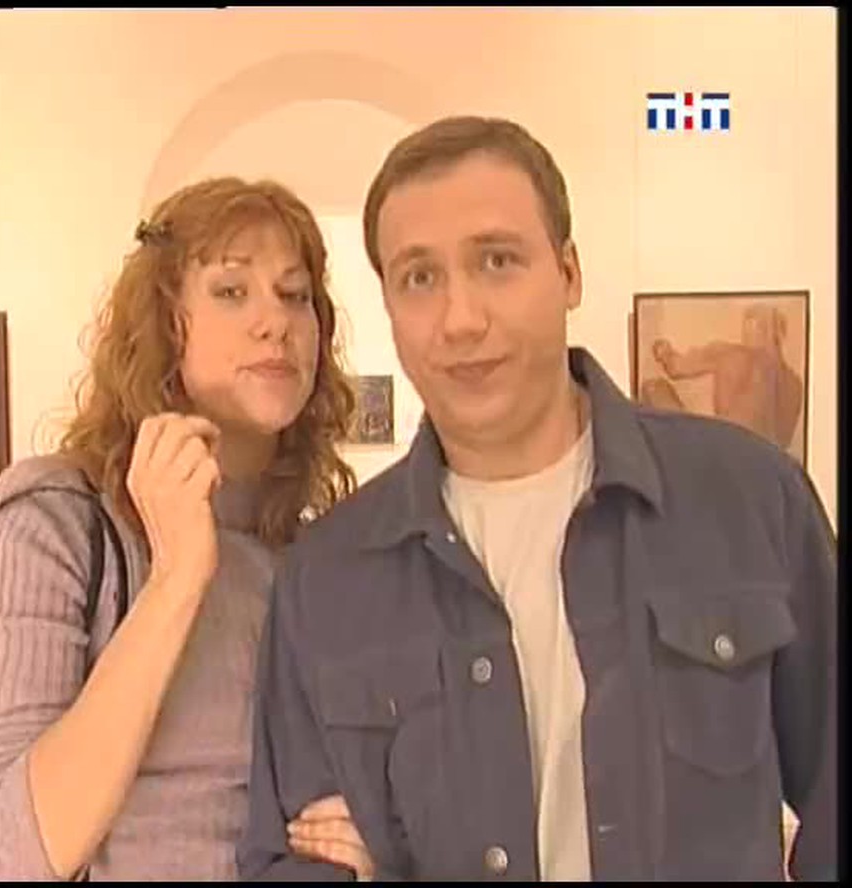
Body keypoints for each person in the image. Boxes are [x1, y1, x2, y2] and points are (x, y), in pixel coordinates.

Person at [239, 116, 836, 881]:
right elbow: (285, 857)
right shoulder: (327, 578)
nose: (461, 319)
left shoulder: (750, 500)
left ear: (569, 272)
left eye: (497, 261)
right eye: (419, 278)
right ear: (388, 306)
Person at [0, 177, 376, 880]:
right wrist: (178, 576)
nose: (274, 321)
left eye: (294, 294)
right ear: (164, 321)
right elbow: (14, 850)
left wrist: (365, 846)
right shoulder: (55, 517)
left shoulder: (311, 549)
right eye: (232, 291)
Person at [647, 303, 805, 451]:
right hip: (764, 462)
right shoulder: (795, 385)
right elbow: (784, 441)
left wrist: (663, 351)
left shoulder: (730, 355)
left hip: (721, 451)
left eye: (749, 331)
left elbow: (676, 367)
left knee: (653, 387)